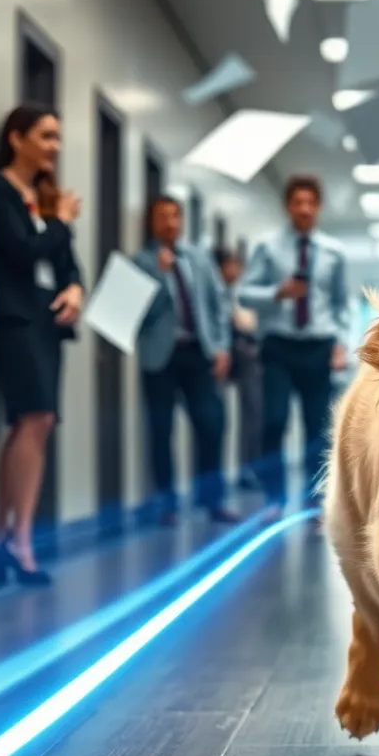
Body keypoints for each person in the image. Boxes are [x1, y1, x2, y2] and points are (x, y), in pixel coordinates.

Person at [0, 104, 84, 586]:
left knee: (34, 425)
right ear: (16, 139)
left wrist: (75, 288)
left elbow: (67, 262)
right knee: (35, 419)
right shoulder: (0, 191)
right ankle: (19, 538)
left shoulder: (46, 197)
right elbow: (23, 251)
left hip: (47, 322)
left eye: (57, 138)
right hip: (16, 321)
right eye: (46, 136)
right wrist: (62, 220)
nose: (55, 147)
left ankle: (5, 534)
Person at [238, 174, 351, 510]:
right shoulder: (267, 247)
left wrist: (341, 343)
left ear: (317, 207)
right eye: (297, 203)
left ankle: (313, 504)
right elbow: (243, 294)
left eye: (310, 203)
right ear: (288, 206)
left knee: (317, 431)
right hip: (278, 346)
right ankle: (274, 499)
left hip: (318, 346)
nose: (304, 209)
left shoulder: (334, 252)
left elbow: (340, 303)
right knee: (274, 419)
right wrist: (277, 292)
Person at [133, 196, 238, 526]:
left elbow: (217, 303)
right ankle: (166, 503)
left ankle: (213, 500)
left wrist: (222, 346)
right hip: (159, 356)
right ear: (151, 223)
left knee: (211, 424)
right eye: (162, 217)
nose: (170, 223)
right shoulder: (140, 262)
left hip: (198, 352)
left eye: (175, 216)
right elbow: (138, 313)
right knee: (160, 429)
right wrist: (157, 277)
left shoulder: (199, 258)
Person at [215, 248, 262, 490]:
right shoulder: (215, 293)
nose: (234, 271)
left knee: (253, 415)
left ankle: (248, 469)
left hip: (245, 359)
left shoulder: (240, 294)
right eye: (229, 265)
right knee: (216, 420)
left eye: (237, 265)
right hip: (222, 359)